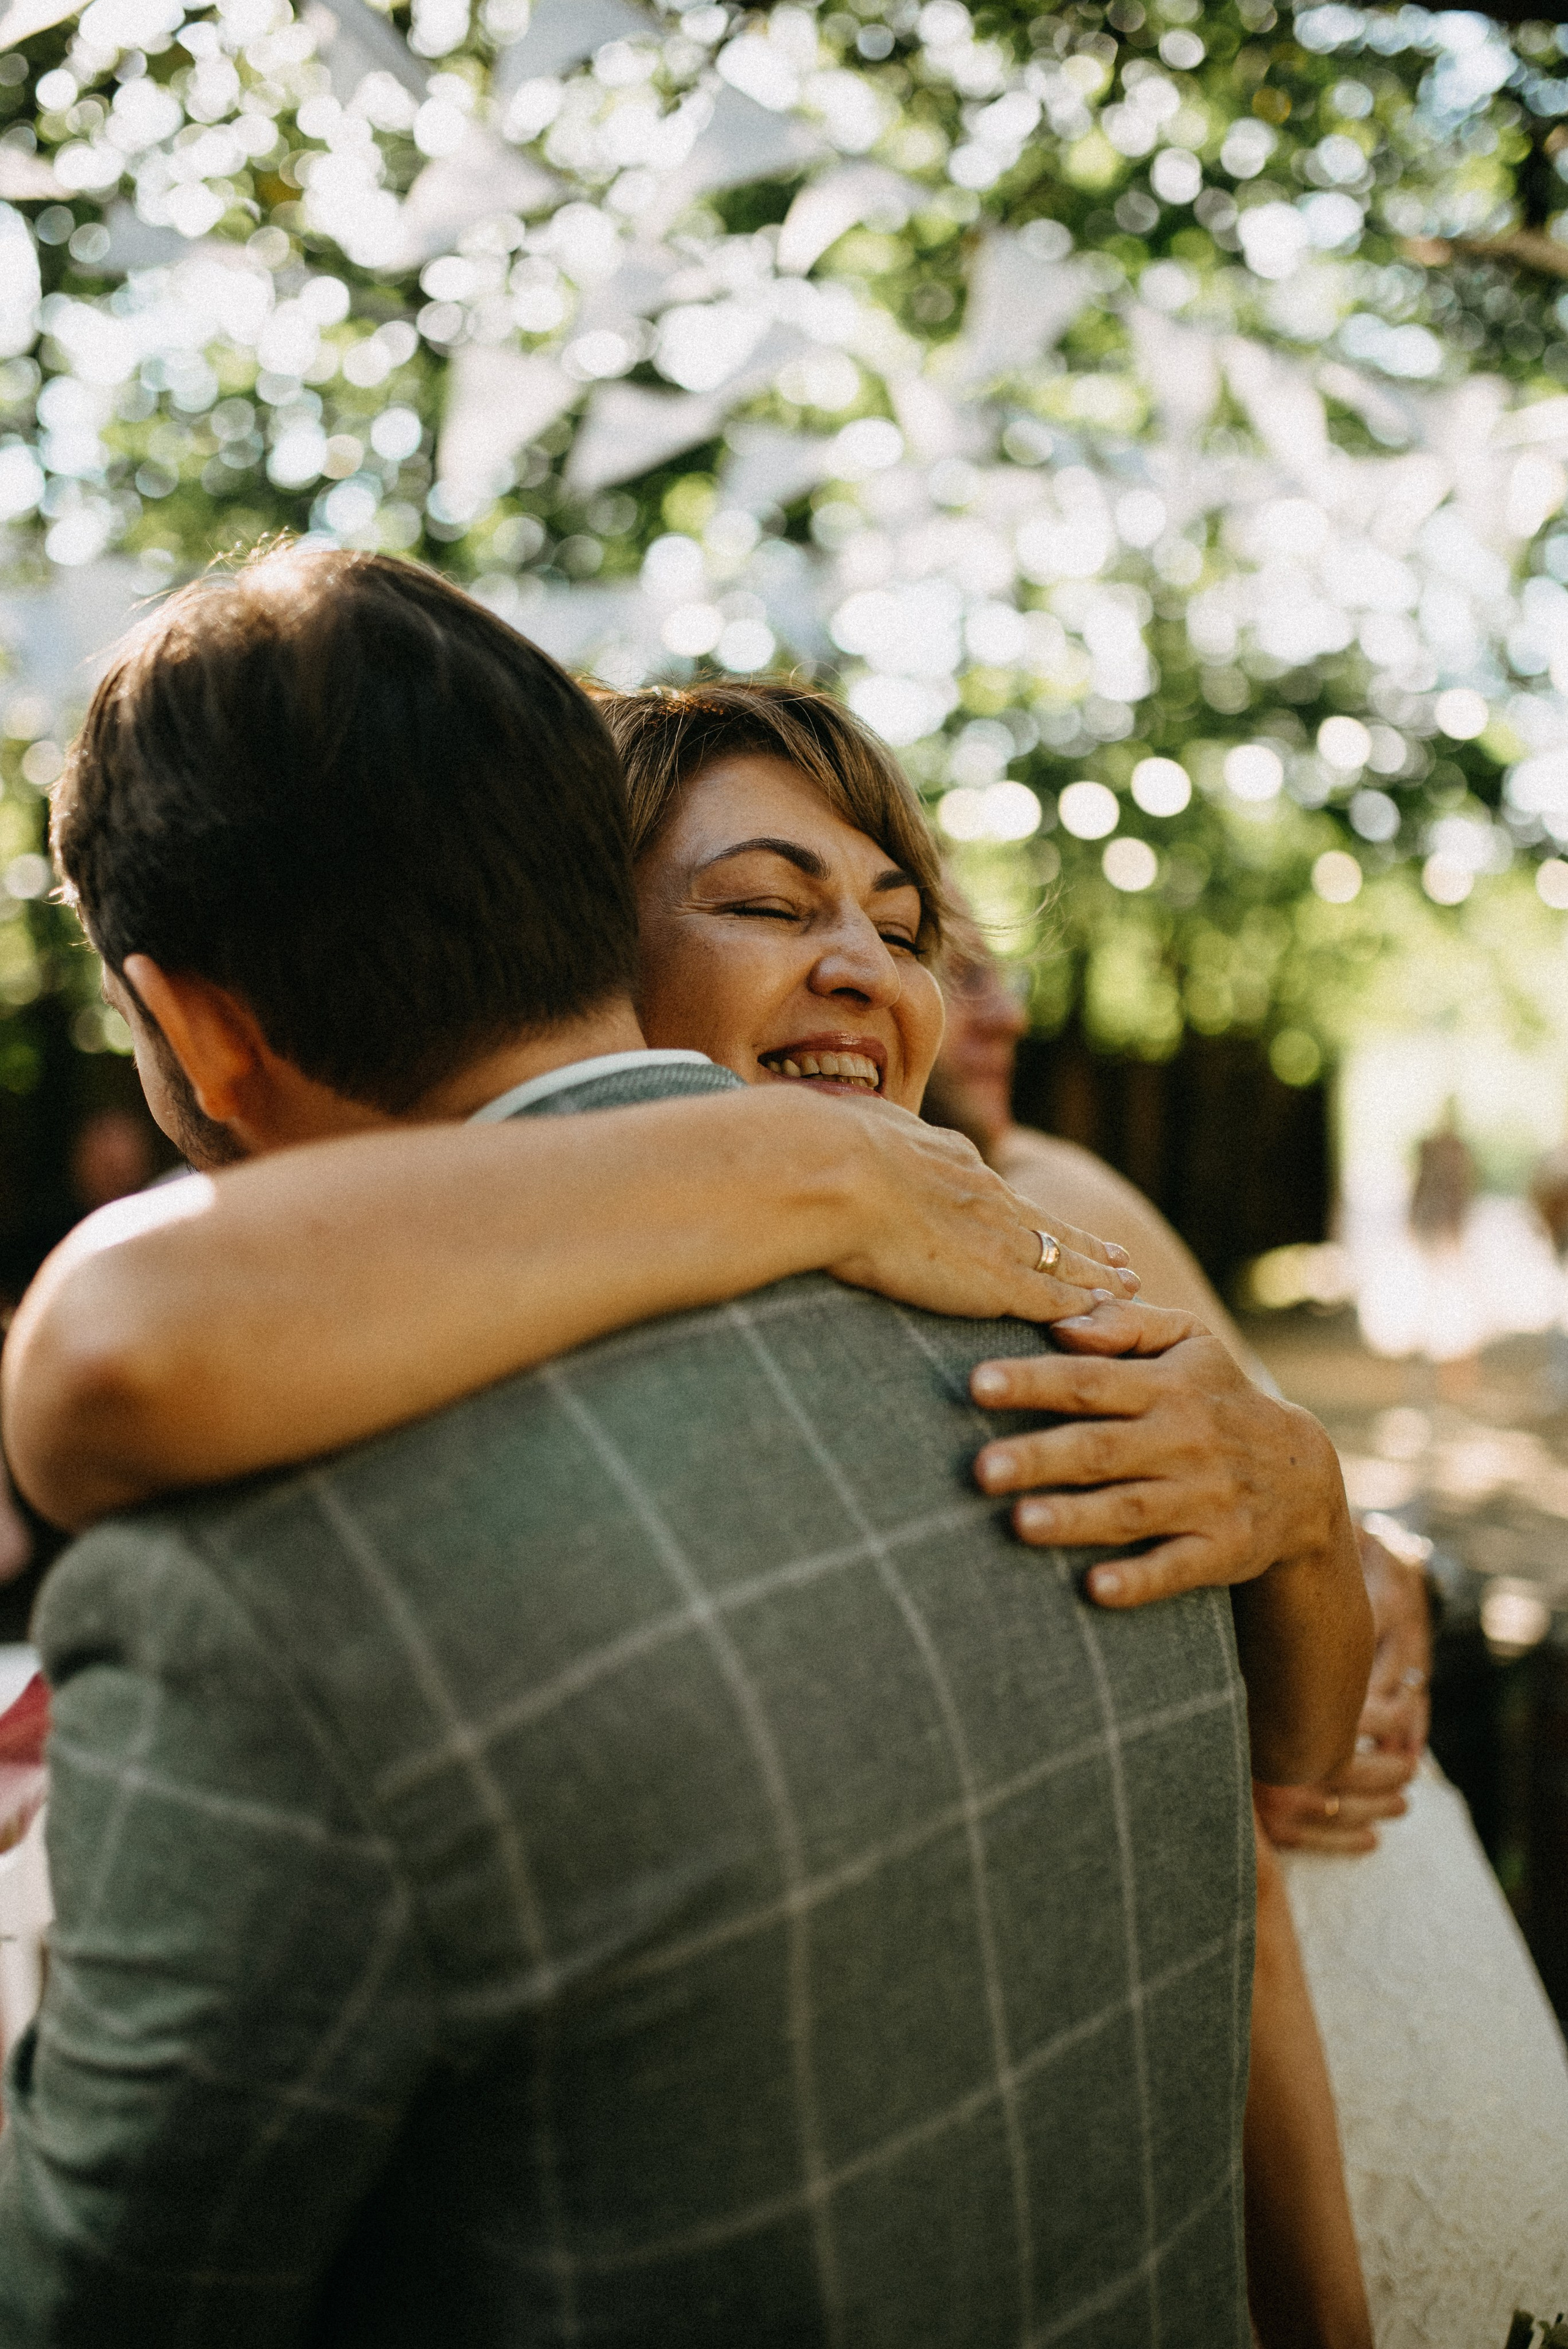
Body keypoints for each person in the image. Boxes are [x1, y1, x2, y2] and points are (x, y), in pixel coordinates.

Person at [0, 546, 1370, 2344]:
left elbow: (99, 2300)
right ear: (596, 916)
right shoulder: (1057, 1344)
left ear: (192, 1022)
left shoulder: (268, 1584)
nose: (862, 970)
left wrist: (1323, 1510)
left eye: (901, 921)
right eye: (767, 901)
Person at [923, 916, 1568, 2347]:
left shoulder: (1034, 1185)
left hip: (1330, 1881)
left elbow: (1270, 1466)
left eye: (959, 951)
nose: (998, 1004)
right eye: (950, 962)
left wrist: (1368, 1557)